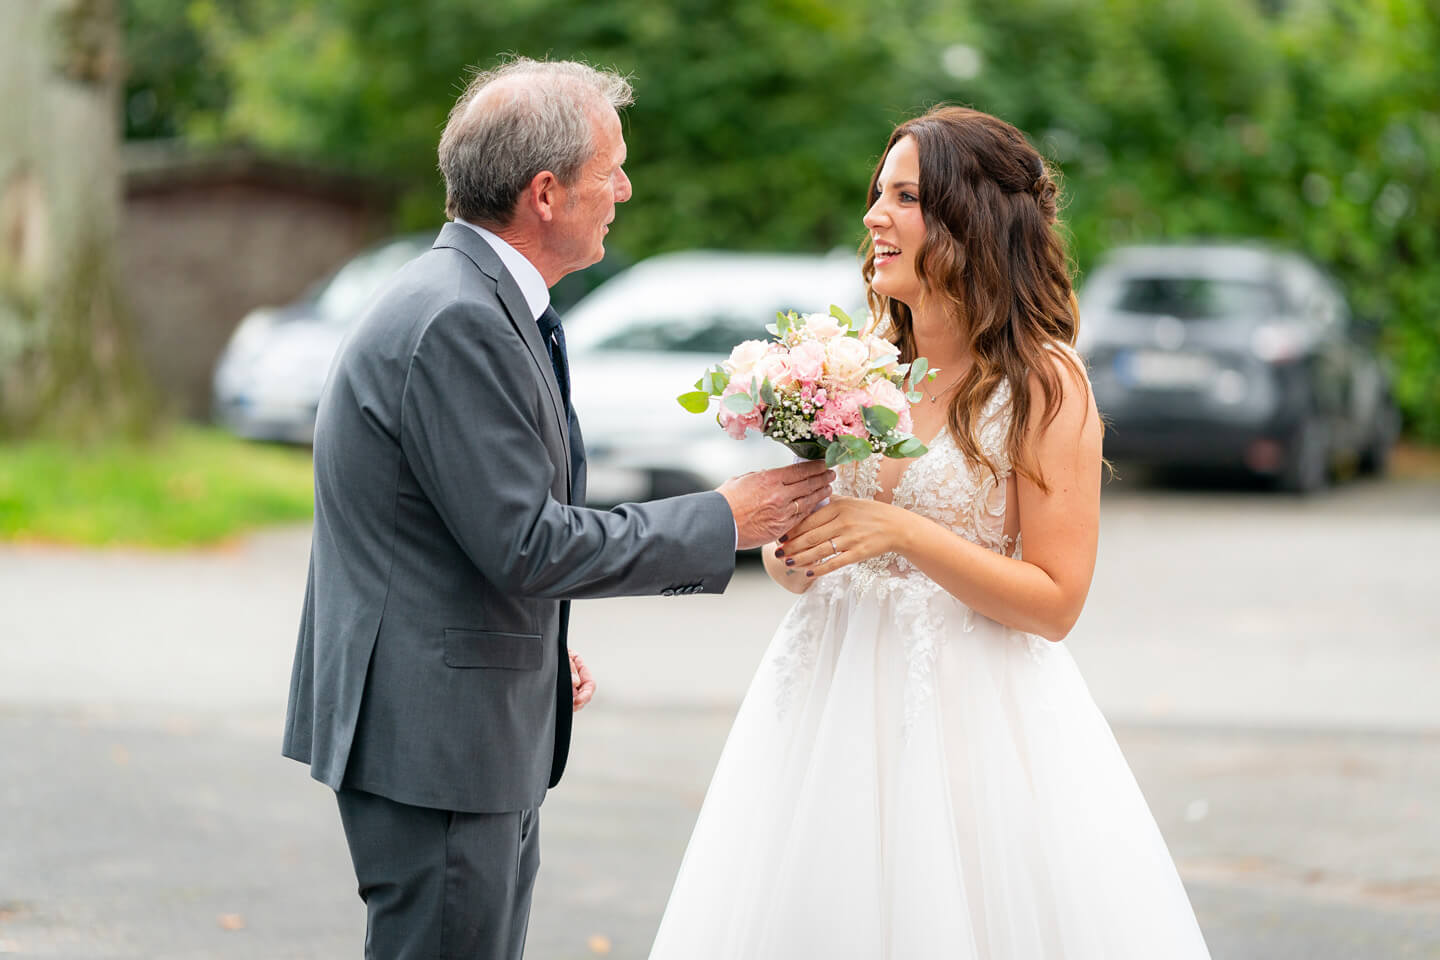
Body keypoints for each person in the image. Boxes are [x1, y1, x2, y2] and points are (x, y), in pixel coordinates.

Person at [281, 57, 833, 960]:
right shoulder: (458, 317)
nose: (624, 186)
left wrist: (534, 649)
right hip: (436, 741)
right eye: (609, 167)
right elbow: (528, 542)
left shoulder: (478, 298)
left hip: (458, 716)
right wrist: (726, 518)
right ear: (545, 192)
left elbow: (454, 531)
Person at [647, 106, 1212, 958]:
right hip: (826, 705)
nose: (874, 216)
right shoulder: (862, 364)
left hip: (969, 721)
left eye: (904, 196)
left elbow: (1056, 602)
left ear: (970, 217)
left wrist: (902, 534)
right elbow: (824, 535)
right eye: (878, 194)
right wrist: (794, 558)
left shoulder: (1044, 386)